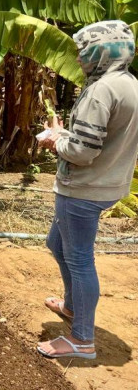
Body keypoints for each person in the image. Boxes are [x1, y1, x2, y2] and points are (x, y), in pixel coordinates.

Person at [36, 20, 138, 360]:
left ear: (103, 52)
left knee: (79, 259)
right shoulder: (128, 83)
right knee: (56, 243)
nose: (79, 59)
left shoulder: (100, 91)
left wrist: (55, 141)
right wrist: (67, 137)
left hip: (82, 188)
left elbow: (82, 153)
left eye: (85, 52)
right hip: (109, 182)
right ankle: (73, 306)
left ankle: (81, 339)